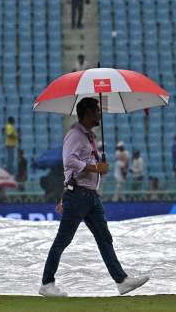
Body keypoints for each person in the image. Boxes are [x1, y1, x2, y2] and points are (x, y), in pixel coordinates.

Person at [39, 97, 149, 297]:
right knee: (63, 239)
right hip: (79, 194)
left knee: (104, 237)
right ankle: (47, 283)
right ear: (87, 112)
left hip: (89, 195)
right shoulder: (75, 135)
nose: (99, 113)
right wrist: (94, 167)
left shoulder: (88, 136)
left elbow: (81, 163)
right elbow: (69, 161)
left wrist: (98, 167)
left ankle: (121, 281)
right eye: (97, 110)